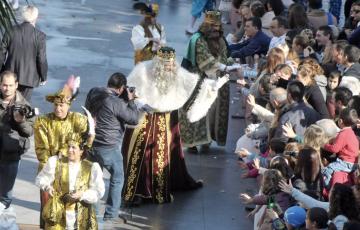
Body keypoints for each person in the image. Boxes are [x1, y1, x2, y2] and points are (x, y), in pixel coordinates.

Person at [122, 46, 229, 205]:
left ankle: (157, 191)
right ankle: (136, 192)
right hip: (144, 118)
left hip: (166, 118)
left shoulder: (178, 73)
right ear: (158, 63)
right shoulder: (142, 71)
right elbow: (129, 92)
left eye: (172, 64)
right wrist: (139, 102)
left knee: (161, 156)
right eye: (167, 65)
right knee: (139, 155)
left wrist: (212, 87)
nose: (171, 68)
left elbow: (196, 85)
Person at [34, 76, 93, 228]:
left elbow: (85, 142)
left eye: (62, 106)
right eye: (55, 105)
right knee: (50, 210)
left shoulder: (77, 120)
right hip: (50, 172)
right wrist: (54, 168)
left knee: (72, 210)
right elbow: (41, 150)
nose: (58, 109)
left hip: (72, 171)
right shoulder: (43, 122)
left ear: (69, 106)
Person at [180, 10, 240, 153]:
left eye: (218, 26)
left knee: (214, 112)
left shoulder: (220, 39)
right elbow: (205, 60)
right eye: (213, 26)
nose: (216, 29)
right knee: (198, 109)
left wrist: (232, 63)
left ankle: (207, 140)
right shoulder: (198, 39)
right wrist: (225, 66)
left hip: (219, 81)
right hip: (200, 80)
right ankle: (192, 143)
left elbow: (225, 56)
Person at [85, 72, 140, 223]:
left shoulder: (94, 91)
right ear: (122, 88)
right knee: (117, 178)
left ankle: (94, 214)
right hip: (109, 146)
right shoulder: (115, 102)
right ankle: (111, 214)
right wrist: (131, 102)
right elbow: (133, 119)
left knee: (94, 179)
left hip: (91, 143)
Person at [36, 133, 105, 230]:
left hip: (81, 216)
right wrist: (47, 186)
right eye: (68, 147)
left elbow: (99, 191)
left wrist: (83, 194)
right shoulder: (56, 162)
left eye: (73, 148)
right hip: (57, 213)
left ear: (81, 151)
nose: (69, 150)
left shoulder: (92, 167)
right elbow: (41, 178)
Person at [0, 71, 34, 212]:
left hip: (11, 155)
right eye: (4, 85)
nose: (7, 88)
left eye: (10, 85)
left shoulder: (24, 105)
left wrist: (21, 121)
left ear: (16, 85)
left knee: (6, 194)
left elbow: (29, 132)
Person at [0, 5, 47, 101]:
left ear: (22, 16)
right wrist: (43, 76)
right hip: (28, 78)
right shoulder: (40, 36)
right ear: (36, 17)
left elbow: (1, 53)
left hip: (9, 77)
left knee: (6, 104)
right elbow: (41, 59)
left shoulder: (10, 31)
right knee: (22, 108)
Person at [322, 108, 359, 188]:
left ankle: (327, 187)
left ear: (340, 121)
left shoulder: (343, 134)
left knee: (327, 170)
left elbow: (335, 149)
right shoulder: (351, 132)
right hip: (354, 162)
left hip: (346, 163)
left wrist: (324, 145)